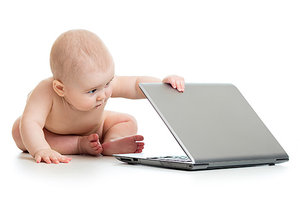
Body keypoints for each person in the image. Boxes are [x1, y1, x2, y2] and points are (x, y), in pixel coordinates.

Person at [12, 29, 185, 164]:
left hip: (96, 130)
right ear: (60, 88)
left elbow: (135, 84)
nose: (103, 95)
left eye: (108, 83)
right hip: (52, 134)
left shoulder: (101, 83)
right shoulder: (45, 92)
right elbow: (32, 122)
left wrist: (161, 85)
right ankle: (78, 145)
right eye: (92, 91)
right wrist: (40, 149)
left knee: (128, 121)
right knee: (20, 131)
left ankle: (111, 142)